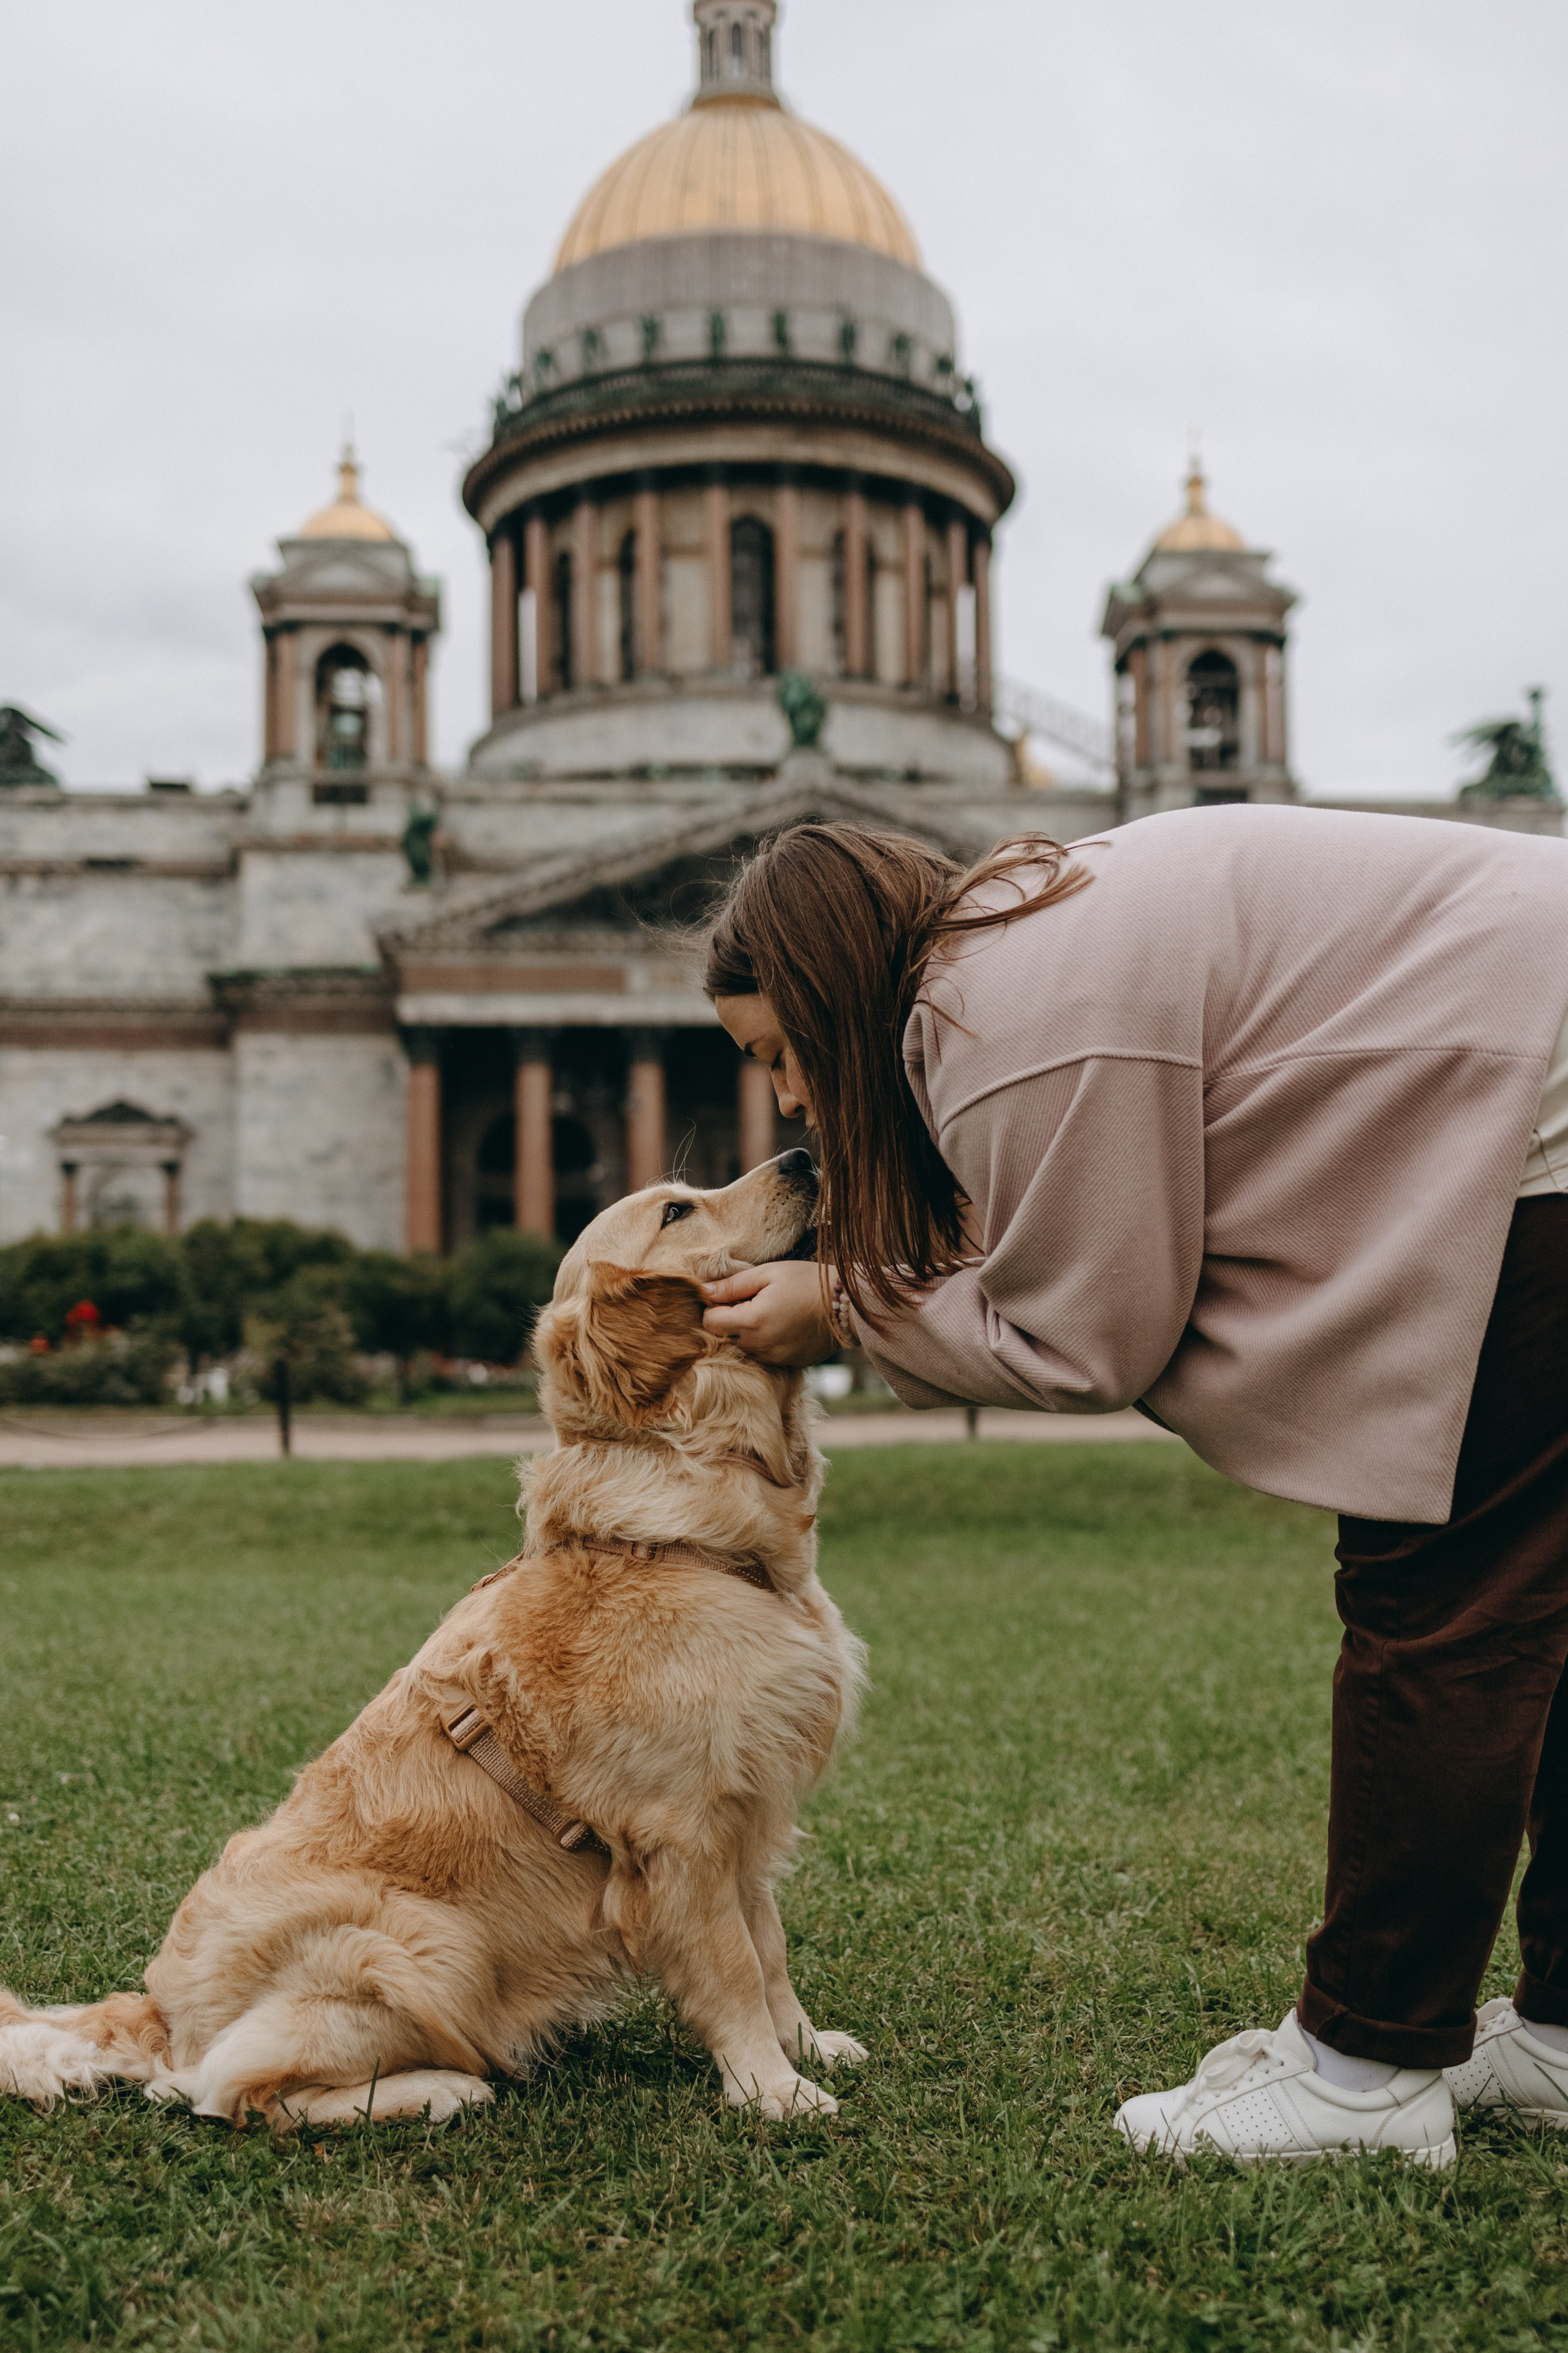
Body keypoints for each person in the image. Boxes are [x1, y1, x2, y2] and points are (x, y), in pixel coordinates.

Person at [698, 808, 1568, 2167]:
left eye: (777, 1054)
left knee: (1438, 1599)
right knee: (1538, 1604)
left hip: (1535, 1115)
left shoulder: (988, 1022)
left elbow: (1093, 1333)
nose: (791, 1103)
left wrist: (849, 1310)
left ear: (827, 995)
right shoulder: (1028, 934)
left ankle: (1361, 2065)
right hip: (1528, 1071)